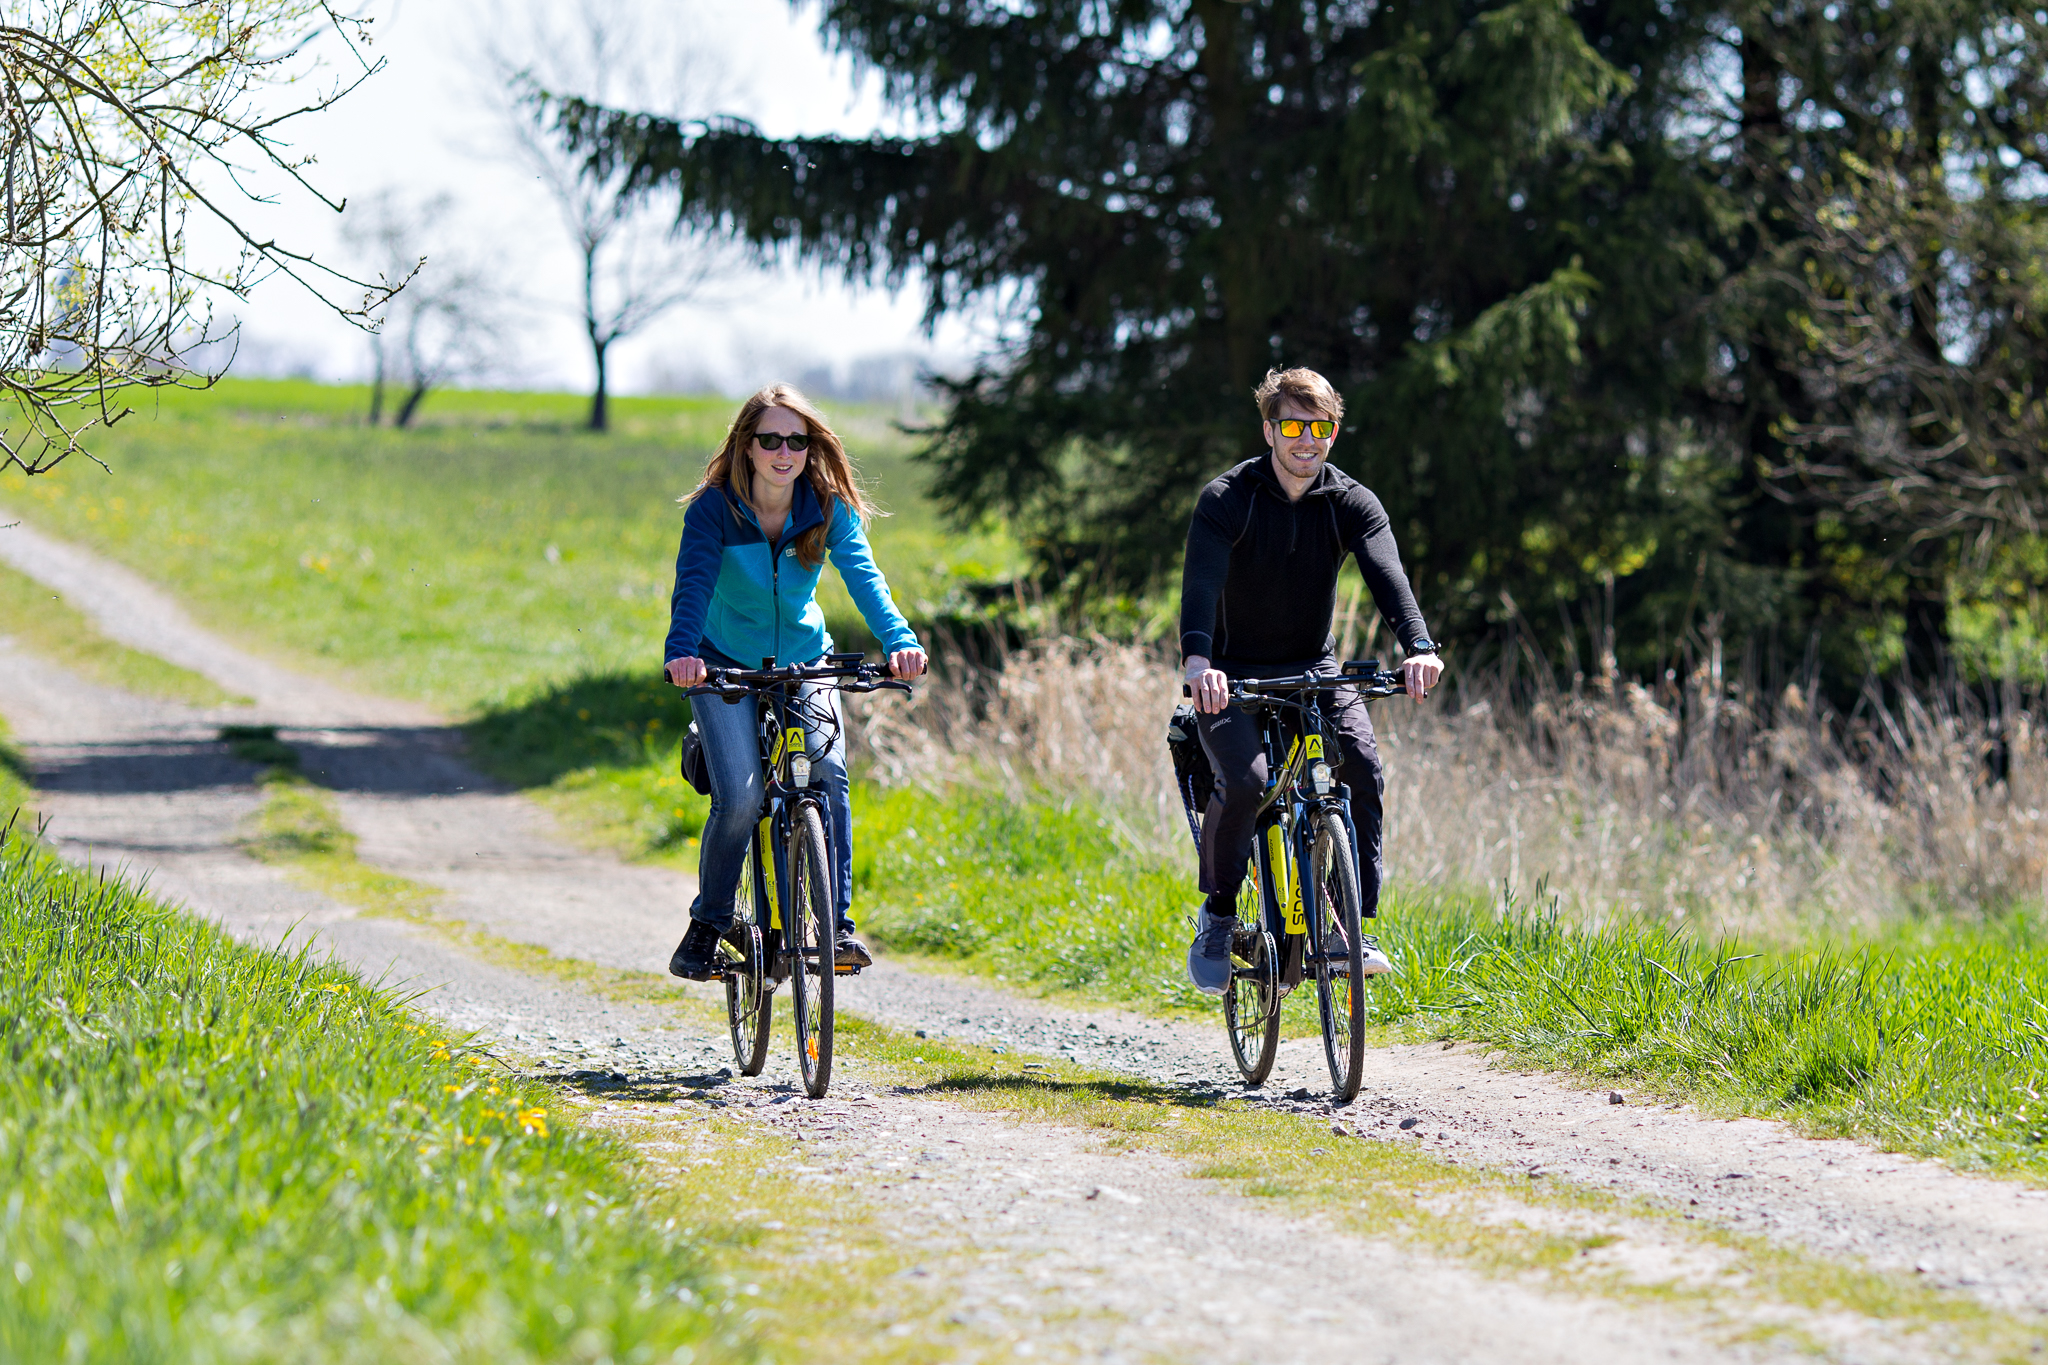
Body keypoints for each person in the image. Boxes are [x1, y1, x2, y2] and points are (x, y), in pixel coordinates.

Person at [1179, 366, 1443, 996]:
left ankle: (1354, 927)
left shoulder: (1351, 502)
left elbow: (1388, 577)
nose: (1306, 441)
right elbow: (1201, 584)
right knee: (1247, 781)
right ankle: (1219, 914)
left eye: (1319, 429)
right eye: (1293, 427)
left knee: (1361, 767)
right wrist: (1198, 663)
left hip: (1313, 669)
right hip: (1231, 674)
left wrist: (1419, 647)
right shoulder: (1228, 499)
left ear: (1333, 433)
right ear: (1269, 430)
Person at [663, 383, 927, 980]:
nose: (785, 452)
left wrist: (900, 641)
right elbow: (693, 585)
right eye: (770, 440)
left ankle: (836, 928)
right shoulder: (714, 509)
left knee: (828, 772)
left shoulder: (827, 508)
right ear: (746, 446)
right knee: (740, 799)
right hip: (723, 662)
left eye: (797, 441)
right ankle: (709, 923)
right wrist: (682, 653)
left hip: (807, 659)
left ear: (811, 448)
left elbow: (866, 579)